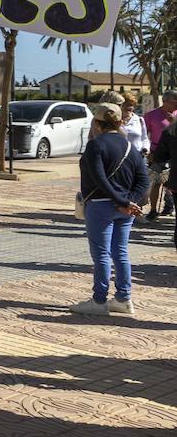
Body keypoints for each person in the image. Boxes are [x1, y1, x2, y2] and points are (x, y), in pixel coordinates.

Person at [72, 103, 149, 316]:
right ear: (119, 121)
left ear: (97, 123)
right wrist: (128, 202)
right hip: (124, 208)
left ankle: (99, 301)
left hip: (100, 206)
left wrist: (121, 201)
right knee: (120, 252)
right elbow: (144, 181)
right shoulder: (128, 146)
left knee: (102, 255)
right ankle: (124, 299)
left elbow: (99, 178)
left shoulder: (96, 145)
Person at [143, 92, 177, 220]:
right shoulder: (151, 115)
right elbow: (144, 134)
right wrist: (148, 152)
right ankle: (153, 210)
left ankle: (169, 206)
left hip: (174, 153)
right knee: (157, 182)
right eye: (175, 101)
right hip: (157, 153)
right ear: (166, 101)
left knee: (172, 182)